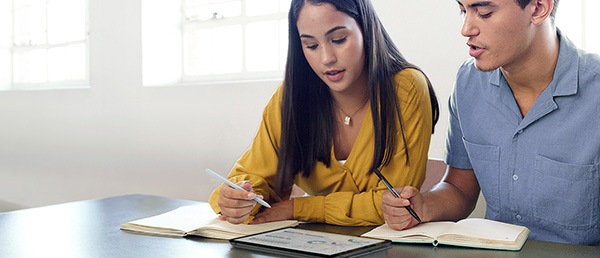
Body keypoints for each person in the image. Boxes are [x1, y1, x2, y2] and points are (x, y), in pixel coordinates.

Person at [381, 0, 600, 246]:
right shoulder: (468, 82)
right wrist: (423, 206)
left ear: (538, 8)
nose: (466, 29)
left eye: (484, 13)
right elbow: (460, 189)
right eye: (463, 11)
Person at [208, 0, 439, 227]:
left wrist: (298, 208)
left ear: (365, 29)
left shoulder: (405, 89)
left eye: (338, 39)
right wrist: (240, 199)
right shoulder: (292, 96)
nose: (326, 58)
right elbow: (253, 176)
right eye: (311, 45)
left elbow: (393, 204)